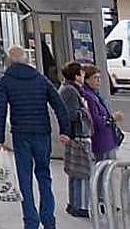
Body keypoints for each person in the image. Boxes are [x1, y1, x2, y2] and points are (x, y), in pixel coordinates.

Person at [0, 45, 73, 229]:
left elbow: (0, 110)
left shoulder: (6, 80)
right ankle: (48, 219)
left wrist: (0, 138)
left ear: (9, 61)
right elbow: (59, 104)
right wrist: (65, 130)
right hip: (42, 132)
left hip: (21, 133)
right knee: (44, 175)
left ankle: (30, 220)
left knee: (25, 178)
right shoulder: (40, 78)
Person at [59, 62, 93, 219]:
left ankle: (74, 203)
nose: (84, 76)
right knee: (81, 173)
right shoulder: (71, 91)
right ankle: (79, 205)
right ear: (76, 76)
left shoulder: (69, 89)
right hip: (78, 136)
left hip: (74, 135)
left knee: (75, 172)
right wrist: (83, 111)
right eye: (82, 74)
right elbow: (72, 114)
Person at [79, 65, 123, 162]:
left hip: (106, 139)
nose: (98, 80)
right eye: (95, 78)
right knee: (102, 168)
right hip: (100, 141)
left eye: (99, 77)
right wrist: (112, 118)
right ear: (86, 80)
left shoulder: (95, 94)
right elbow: (95, 120)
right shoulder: (88, 96)